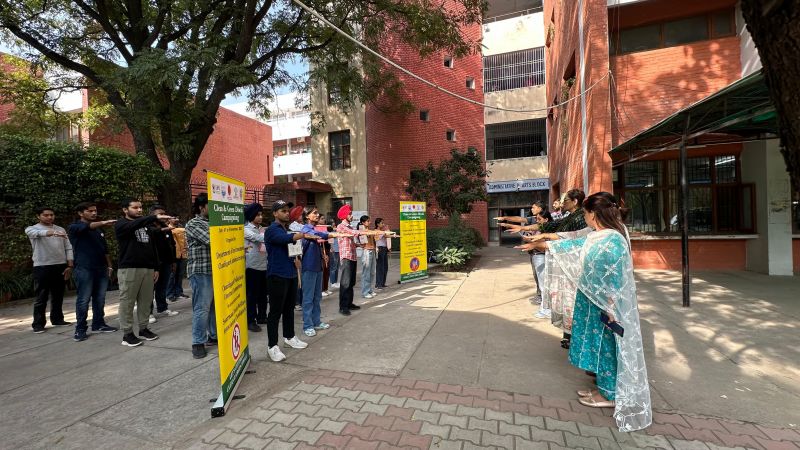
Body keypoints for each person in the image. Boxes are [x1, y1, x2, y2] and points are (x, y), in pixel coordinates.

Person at [519, 192, 651, 432]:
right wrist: (541, 243)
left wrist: (611, 307)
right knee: (597, 345)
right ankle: (603, 387)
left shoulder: (609, 239)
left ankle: (610, 394)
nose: (586, 218)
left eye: (587, 214)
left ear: (593, 214)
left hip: (605, 306)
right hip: (594, 302)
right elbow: (574, 244)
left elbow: (610, 275)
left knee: (606, 347)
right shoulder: (602, 236)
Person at [264, 200, 316, 362]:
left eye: (287, 211)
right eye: (282, 211)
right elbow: (284, 240)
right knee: (275, 312)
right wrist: (303, 233)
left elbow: (290, 245)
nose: (286, 213)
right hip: (277, 275)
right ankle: (272, 346)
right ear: (275, 213)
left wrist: (296, 257)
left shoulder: (286, 229)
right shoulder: (273, 230)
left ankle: (290, 337)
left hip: (291, 274)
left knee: (288, 310)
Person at [114, 199, 167, 347]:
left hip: (148, 268)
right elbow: (133, 225)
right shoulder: (121, 224)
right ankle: (127, 334)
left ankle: (143, 329)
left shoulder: (146, 226)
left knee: (146, 300)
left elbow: (152, 247)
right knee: (127, 301)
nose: (139, 210)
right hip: (130, 268)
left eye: (140, 207)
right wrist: (154, 218)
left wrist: (156, 267)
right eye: (135, 207)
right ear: (125, 210)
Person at [68, 202, 118, 341]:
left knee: (100, 298)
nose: (94, 213)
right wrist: (104, 222)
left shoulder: (98, 230)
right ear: (80, 213)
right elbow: (87, 227)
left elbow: (105, 249)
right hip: (84, 268)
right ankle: (80, 329)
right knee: (83, 300)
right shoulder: (74, 227)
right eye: (90, 211)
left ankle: (98, 324)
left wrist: (109, 265)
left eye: (95, 211)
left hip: (101, 268)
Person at [25, 207, 74, 333]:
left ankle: (57, 319)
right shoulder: (32, 229)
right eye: (46, 215)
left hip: (60, 265)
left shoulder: (60, 229)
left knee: (58, 295)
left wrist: (69, 265)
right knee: (41, 297)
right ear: (38, 216)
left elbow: (68, 247)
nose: (49, 217)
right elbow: (35, 234)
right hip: (42, 266)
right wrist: (50, 232)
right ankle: (38, 324)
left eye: (52, 215)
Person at [335, 205, 382, 316]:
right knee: (345, 283)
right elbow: (355, 233)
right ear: (344, 215)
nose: (351, 215)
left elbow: (351, 239)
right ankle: (343, 307)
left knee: (351, 282)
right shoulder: (341, 226)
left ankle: (349, 303)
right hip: (346, 257)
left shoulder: (350, 227)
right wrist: (368, 232)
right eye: (350, 214)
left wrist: (358, 245)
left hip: (353, 256)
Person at [185, 194, 217, 359]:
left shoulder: (215, 223)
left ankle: (213, 335)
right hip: (201, 271)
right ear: (201, 207)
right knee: (202, 308)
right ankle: (198, 342)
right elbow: (214, 240)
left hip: (216, 271)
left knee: (213, 307)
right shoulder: (194, 223)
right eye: (211, 206)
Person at [299, 207, 337, 336]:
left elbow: (317, 240)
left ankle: (316, 321)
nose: (317, 215)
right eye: (314, 213)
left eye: (317, 213)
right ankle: (307, 325)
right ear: (307, 216)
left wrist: (322, 254)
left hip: (318, 266)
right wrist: (333, 234)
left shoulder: (313, 229)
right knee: (308, 298)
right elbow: (319, 236)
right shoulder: (305, 229)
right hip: (309, 267)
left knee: (317, 297)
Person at [148, 205, 180, 323]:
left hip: (166, 262)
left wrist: (173, 261)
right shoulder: (147, 227)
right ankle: (148, 312)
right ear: (152, 215)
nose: (164, 216)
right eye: (160, 214)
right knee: (150, 289)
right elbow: (152, 234)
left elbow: (172, 245)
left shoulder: (165, 227)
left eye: (164, 213)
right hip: (152, 263)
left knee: (162, 287)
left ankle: (162, 308)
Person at [244, 203, 268, 332]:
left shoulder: (262, 229)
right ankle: (250, 320)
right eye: (257, 215)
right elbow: (257, 238)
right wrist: (269, 236)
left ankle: (262, 316)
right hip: (252, 266)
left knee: (263, 294)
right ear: (251, 215)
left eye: (261, 214)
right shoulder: (246, 229)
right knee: (252, 295)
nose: (260, 217)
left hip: (264, 265)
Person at [167, 217, 189, 302]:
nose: (176, 219)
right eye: (174, 218)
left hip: (182, 254)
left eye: (177, 218)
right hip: (173, 255)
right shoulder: (168, 228)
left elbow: (184, 240)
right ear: (169, 219)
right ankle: (170, 294)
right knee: (171, 276)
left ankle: (179, 293)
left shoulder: (179, 228)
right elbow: (174, 231)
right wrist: (186, 229)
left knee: (179, 275)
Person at [358, 215, 377, 299]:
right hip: (366, 251)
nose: (369, 222)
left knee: (372, 272)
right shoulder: (361, 231)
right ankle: (365, 292)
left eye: (369, 221)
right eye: (368, 221)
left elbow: (375, 239)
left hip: (372, 251)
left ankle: (369, 290)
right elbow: (362, 243)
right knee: (366, 273)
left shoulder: (370, 231)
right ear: (363, 222)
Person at [374, 218, 391, 290]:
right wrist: (385, 231)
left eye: (383, 223)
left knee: (385, 267)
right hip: (380, 249)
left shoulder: (382, 231)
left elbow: (387, 236)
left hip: (384, 249)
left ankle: (382, 283)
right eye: (381, 223)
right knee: (380, 267)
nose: (383, 224)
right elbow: (377, 239)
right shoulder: (375, 231)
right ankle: (378, 284)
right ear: (378, 224)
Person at [328, 218, 340, 290]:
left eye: (334, 221)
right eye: (332, 222)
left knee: (337, 267)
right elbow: (330, 241)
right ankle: (332, 282)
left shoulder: (335, 230)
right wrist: (331, 248)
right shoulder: (330, 231)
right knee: (333, 267)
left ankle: (335, 281)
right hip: (333, 250)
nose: (334, 223)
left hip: (338, 250)